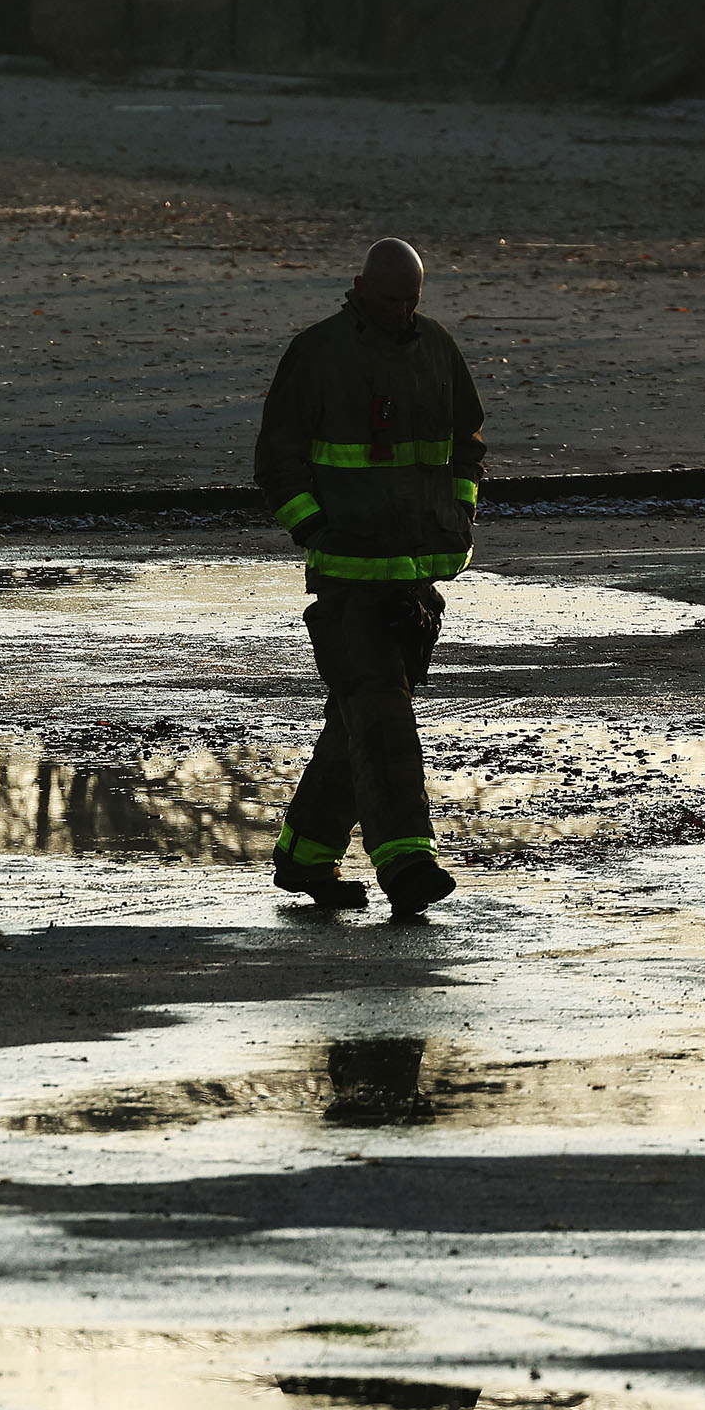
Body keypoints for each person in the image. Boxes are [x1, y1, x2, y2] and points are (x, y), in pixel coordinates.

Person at [255, 237, 483, 917]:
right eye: (390, 299)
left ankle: (304, 858)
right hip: (347, 584)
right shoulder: (319, 354)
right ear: (359, 287)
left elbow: (466, 446)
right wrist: (316, 530)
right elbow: (278, 461)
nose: (402, 311)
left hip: (415, 582)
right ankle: (408, 863)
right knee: (382, 718)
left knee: (357, 722)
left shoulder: (437, 350)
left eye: (412, 299)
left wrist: (459, 521)